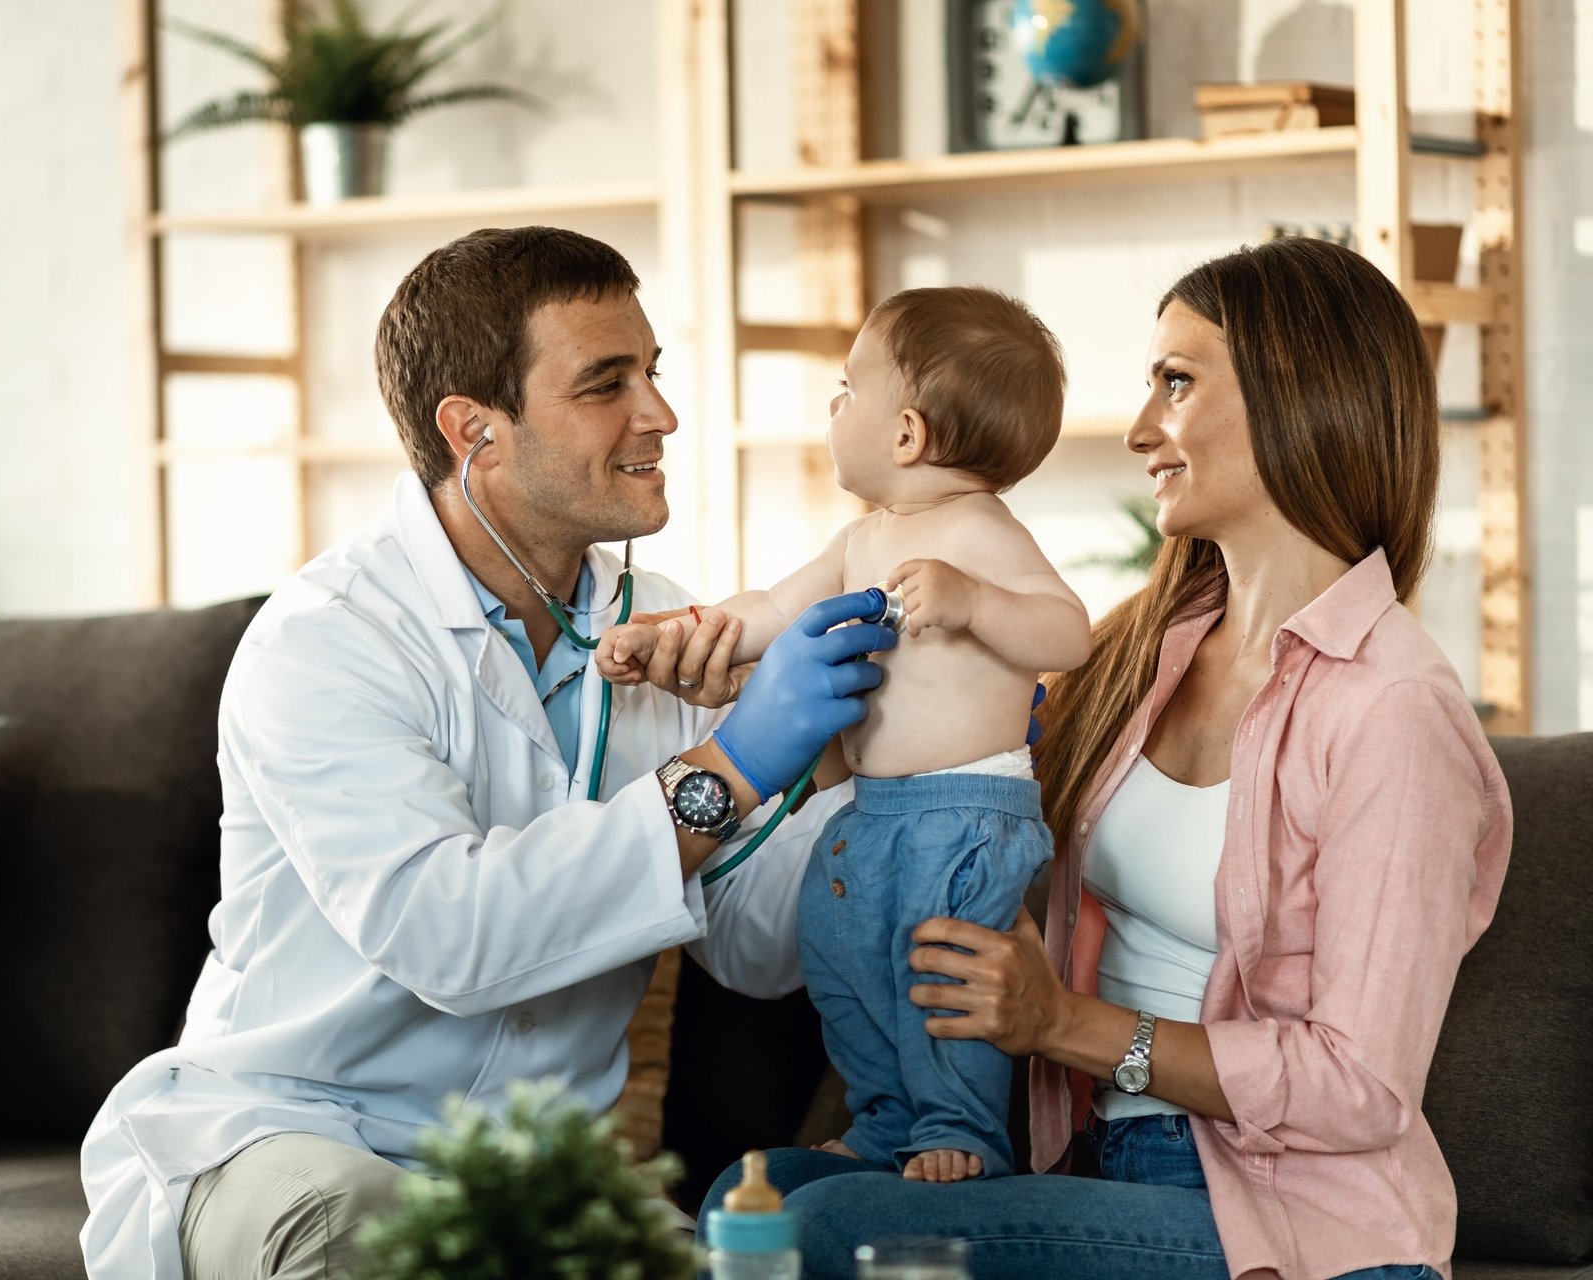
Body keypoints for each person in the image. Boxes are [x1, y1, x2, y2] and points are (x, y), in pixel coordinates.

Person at [77, 226, 898, 1280]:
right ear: (475, 431)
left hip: (530, 1170)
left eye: (653, 372)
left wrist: (854, 764)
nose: (661, 414)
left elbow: (750, 943)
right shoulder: (330, 638)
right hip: (302, 1138)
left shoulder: (652, 622)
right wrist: (735, 765)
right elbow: (452, 936)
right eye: (607, 383)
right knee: (370, 1233)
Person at [696, 236, 1513, 1280]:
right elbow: (961, 796)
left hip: (1292, 1216)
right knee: (751, 1194)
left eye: (1177, 383)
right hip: (1096, 1154)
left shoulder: (1393, 707)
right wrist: (784, 718)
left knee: (815, 1233)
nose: (1139, 430)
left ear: (1295, 395)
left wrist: (1067, 1024)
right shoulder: (1149, 643)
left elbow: (1360, 1086)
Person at [596, 287, 1091, 1183]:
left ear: (905, 434)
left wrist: (977, 602)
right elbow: (768, 613)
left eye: (846, 388)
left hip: (966, 814)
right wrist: (673, 634)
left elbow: (1070, 632)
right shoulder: (861, 539)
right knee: (845, 963)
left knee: (937, 974)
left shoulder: (980, 533)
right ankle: (885, 1119)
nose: (833, 407)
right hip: (869, 811)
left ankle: (960, 1128)